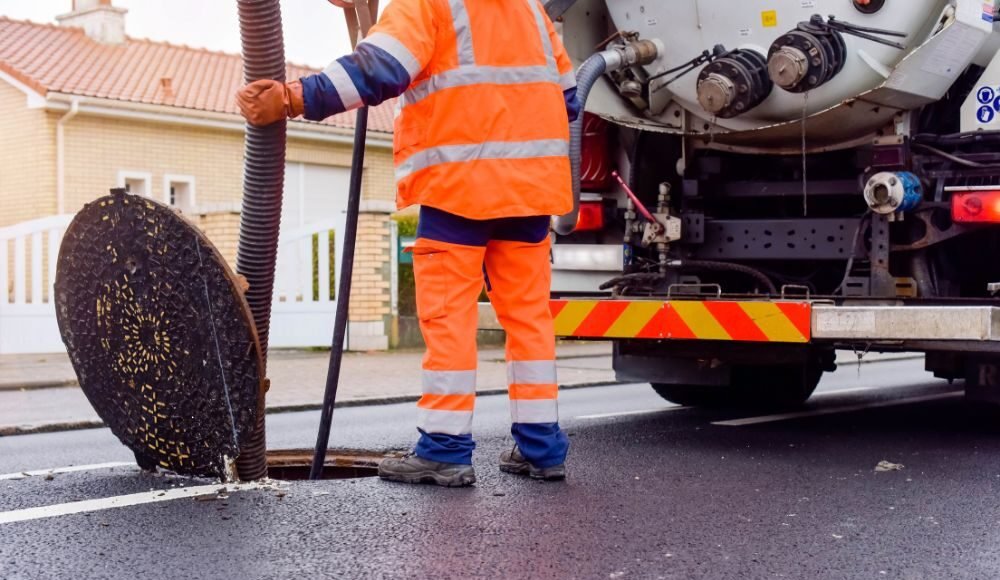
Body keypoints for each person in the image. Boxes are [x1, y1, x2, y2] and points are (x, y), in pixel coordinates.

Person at [237, 0, 580, 487]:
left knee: (449, 320)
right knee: (529, 320)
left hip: (459, 189)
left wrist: (293, 98)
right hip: (531, 192)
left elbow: (381, 68)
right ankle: (542, 449)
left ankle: (444, 449)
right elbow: (567, 97)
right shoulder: (530, 11)